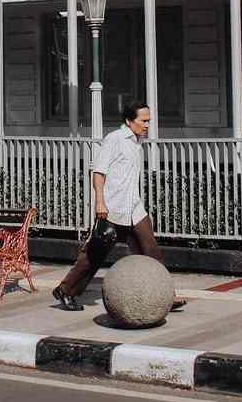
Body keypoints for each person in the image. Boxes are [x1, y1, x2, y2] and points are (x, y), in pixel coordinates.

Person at [52, 102, 185, 312]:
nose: (147, 125)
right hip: (113, 209)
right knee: (94, 255)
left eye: (149, 120)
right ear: (129, 121)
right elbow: (98, 172)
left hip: (134, 209)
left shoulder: (136, 142)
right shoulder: (114, 139)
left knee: (151, 251)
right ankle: (66, 290)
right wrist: (100, 202)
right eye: (143, 120)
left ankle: (166, 295)